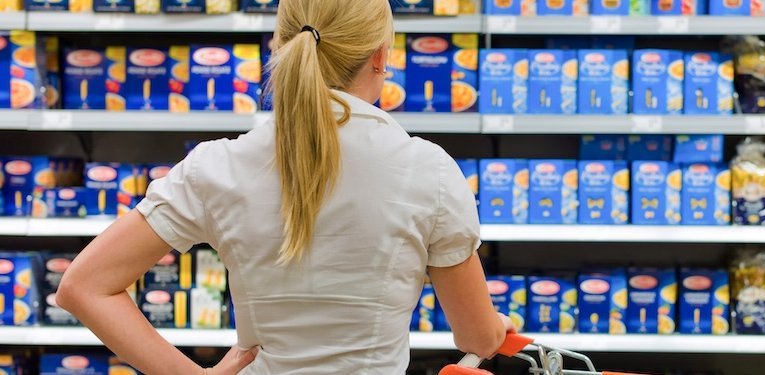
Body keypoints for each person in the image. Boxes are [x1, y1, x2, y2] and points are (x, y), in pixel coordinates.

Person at [55, 0, 512, 373]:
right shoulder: (427, 170)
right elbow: (476, 338)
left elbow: (84, 286)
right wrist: (495, 327)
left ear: (280, 45)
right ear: (380, 57)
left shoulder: (218, 165)